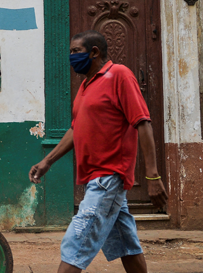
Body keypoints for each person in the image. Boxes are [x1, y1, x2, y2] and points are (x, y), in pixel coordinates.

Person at [28, 30, 168, 273]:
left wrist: (153, 176)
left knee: (76, 242)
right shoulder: (85, 86)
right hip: (96, 178)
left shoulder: (119, 75)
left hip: (109, 177)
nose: (71, 57)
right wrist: (47, 161)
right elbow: (75, 129)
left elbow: (143, 122)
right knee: (126, 244)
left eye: (76, 51)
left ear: (94, 52)